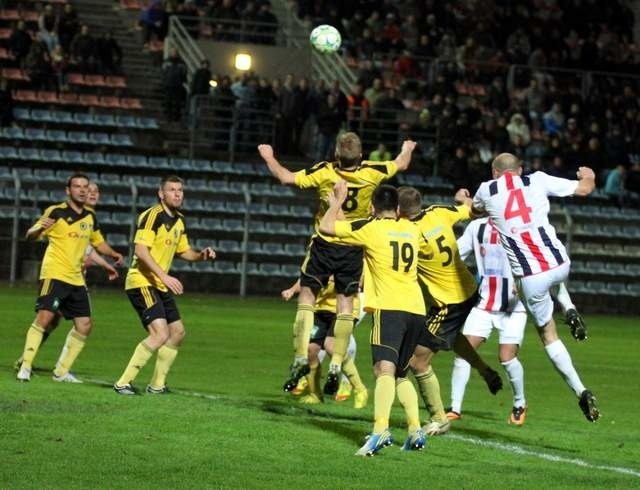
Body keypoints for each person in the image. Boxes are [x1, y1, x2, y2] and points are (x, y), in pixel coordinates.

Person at [257, 134, 415, 396]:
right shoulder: (373, 172)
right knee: (345, 305)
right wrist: (407, 148)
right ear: (362, 156)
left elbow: (286, 177)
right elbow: (401, 164)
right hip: (353, 244)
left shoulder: (324, 171)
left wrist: (268, 156)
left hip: (325, 240)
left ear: (337, 156)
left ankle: (300, 357)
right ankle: (337, 362)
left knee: (307, 297)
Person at [470, 152, 600, 422]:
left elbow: (475, 209)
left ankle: (581, 390)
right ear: (520, 171)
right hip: (560, 263)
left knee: (548, 335)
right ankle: (569, 307)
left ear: (495, 173)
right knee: (553, 273)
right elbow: (585, 188)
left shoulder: (486, 189)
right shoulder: (538, 180)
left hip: (531, 277)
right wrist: (588, 174)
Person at [320, 183, 427, 456]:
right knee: (400, 373)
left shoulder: (372, 228)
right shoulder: (413, 230)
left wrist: (337, 202)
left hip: (390, 309)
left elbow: (327, 227)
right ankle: (415, 429)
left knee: (383, 370)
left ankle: (380, 431)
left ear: (372, 208)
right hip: (416, 308)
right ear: (399, 209)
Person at [397, 187, 503, 437]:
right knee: (452, 338)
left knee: (417, 361)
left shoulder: (408, 233)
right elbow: (474, 210)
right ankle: (484, 369)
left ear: (400, 211)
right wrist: (462, 200)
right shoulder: (437, 212)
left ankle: (439, 418)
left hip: (448, 304)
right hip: (468, 288)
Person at [16, 174, 124, 383]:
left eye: (85, 187)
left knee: (85, 324)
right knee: (45, 318)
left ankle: (61, 371)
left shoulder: (90, 218)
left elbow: (98, 243)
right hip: (54, 274)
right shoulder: (56, 211)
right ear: (68, 190)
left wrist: (112, 254)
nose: (83, 190)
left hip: (75, 278)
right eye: (77, 186)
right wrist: (39, 227)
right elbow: (30, 235)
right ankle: (26, 366)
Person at [113, 176, 216, 395]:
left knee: (177, 332)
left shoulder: (179, 220)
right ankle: (123, 382)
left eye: (180, 190)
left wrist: (201, 256)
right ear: (161, 194)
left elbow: (184, 252)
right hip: (141, 281)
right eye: (172, 190)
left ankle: (156, 385)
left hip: (158, 283)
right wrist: (165, 276)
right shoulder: (153, 216)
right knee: (160, 333)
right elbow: (140, 251)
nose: (178, 194)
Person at [448, 217, 528, 425]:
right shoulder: (478, 227)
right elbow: (455, 254)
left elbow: (535, 258)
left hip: (513, 306)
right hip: (483, 303)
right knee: (464, 351)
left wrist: (525, 282)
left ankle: (519, 403)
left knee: (506, 357)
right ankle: (455, 408)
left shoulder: (522, 226)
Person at [281, 278, 368, 408]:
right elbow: (308, 276)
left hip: (344, 308)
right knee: (310, 350)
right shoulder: (318, 257)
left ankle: (359, 389)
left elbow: (358, 282)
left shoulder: (352, 258)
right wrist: (292, 290)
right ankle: (315, 394)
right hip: (320, 308)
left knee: (331, 346)